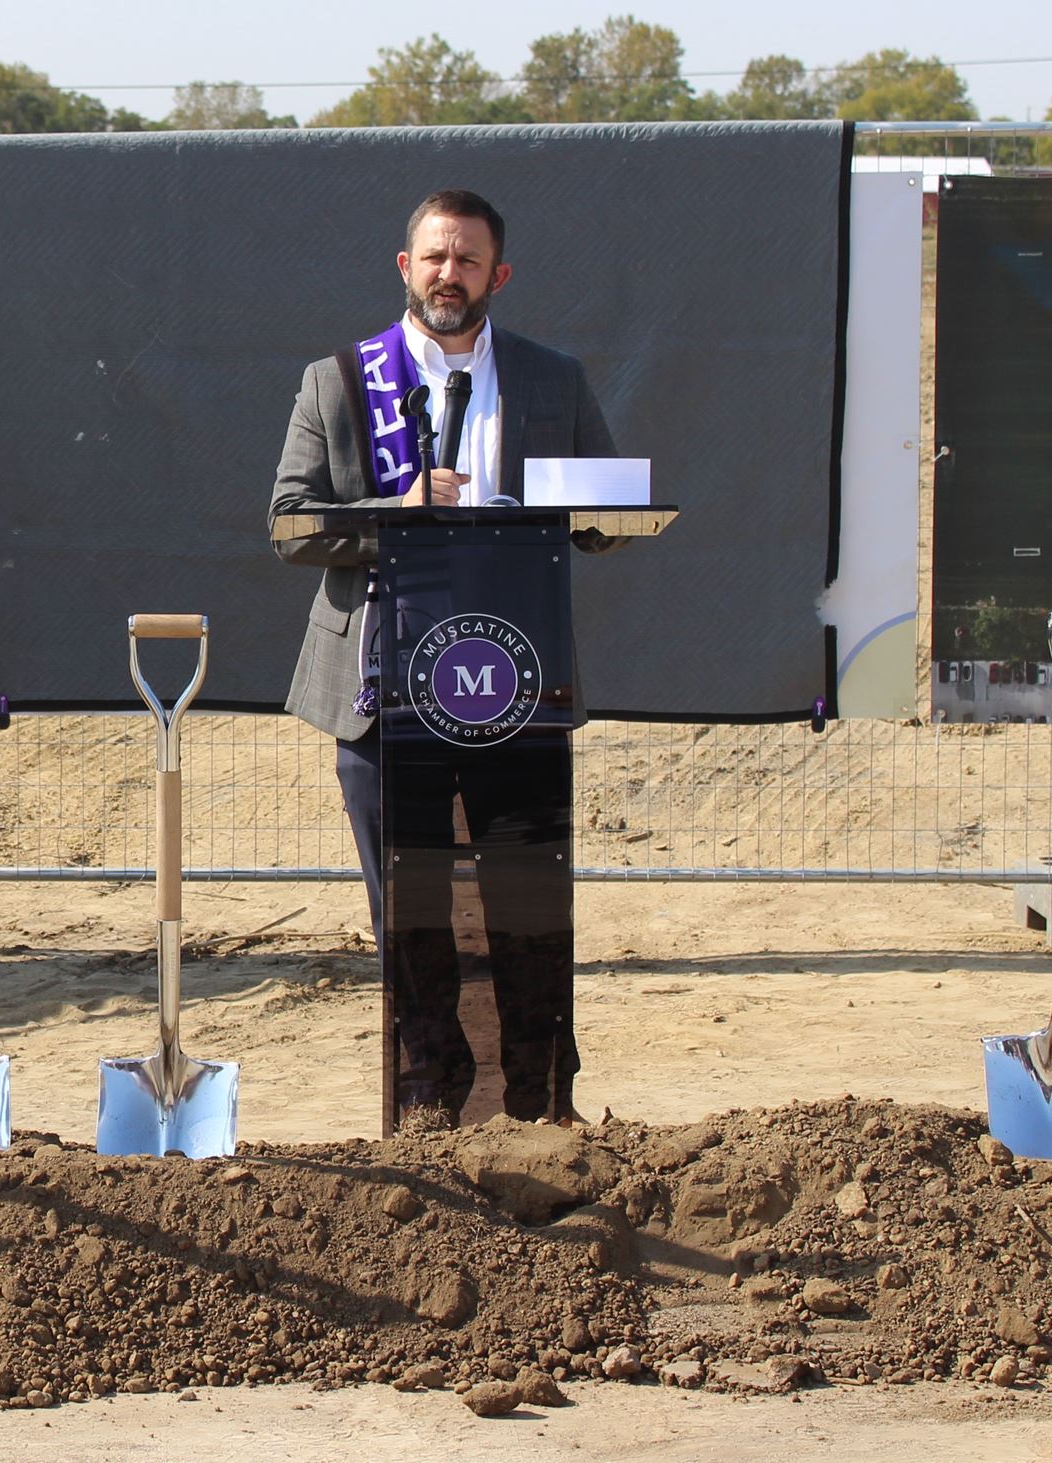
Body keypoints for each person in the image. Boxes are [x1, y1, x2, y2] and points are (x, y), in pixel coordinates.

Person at [268, 188, 619, 1129]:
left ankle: (544, 1097)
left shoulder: (553, 380)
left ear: (497, 275)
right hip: (385, 695)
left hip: (516, 686)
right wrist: (401, 508)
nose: (448, 275)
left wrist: (595, 517)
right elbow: (291, 525)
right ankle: (429, 1096)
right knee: (413, 911)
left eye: (467, 260)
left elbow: (604, 513)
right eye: (433, 257)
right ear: (404, 267)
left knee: (526, 902)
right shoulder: (338, 382)